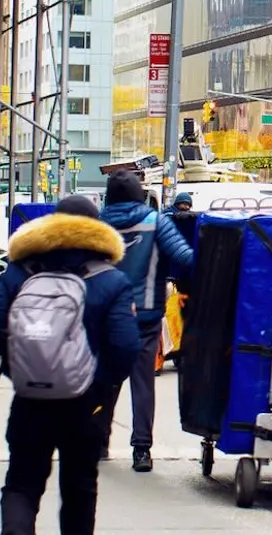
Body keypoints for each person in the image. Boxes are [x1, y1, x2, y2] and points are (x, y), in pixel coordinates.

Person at [0, 195, 141, 535]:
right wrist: (100, 383)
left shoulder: (23, 269)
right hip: (85, 405)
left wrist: (20, 367)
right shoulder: (111, 279)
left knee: (22, 482)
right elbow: (125, 345)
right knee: (80, 488)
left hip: (30, 398)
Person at [99, 170, 195, 472]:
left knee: (106, 381)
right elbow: (186, 257)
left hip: (108, 317)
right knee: (142, 384)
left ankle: (100, 443)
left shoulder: (98, 225)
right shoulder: (156, 222)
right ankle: (142, 450)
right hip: (147, 317)